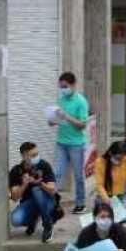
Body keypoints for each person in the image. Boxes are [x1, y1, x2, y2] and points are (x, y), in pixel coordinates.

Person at [52, 72, 88, 214]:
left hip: (76, 144)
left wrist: (67, 117)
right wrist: (53, 120)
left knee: (78, 175)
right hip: (61, 142)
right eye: (61, 87)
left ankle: (80, 202)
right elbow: (58, 118)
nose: (63, 89)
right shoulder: (61, 100)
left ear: (73, 85)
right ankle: (53, 201)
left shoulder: (81, 102)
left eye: (65, 86)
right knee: (57, 173)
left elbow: (82, 124)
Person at [9, 142, 57, 243]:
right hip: (29, 204)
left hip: (47, 201)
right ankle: (33, 219)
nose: (37, 157)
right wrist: (25, 184)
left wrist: (39, 183)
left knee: (36, 190)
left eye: (37, 154)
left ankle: (48, 225)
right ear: (24, 156)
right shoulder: (16, 171)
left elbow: (53, 190)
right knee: (15, 219)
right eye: (33, 155)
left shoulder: (43, 165)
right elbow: (14, 197)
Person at [94, 141, 126, 208]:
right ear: (110, 153)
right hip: (104, 196)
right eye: (118, 158)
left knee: (124, 217)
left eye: (122, 157)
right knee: (105, 214)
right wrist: (107, 200)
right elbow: (99, 185)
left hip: (120, 195)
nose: (120, 161)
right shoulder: (100, 162)